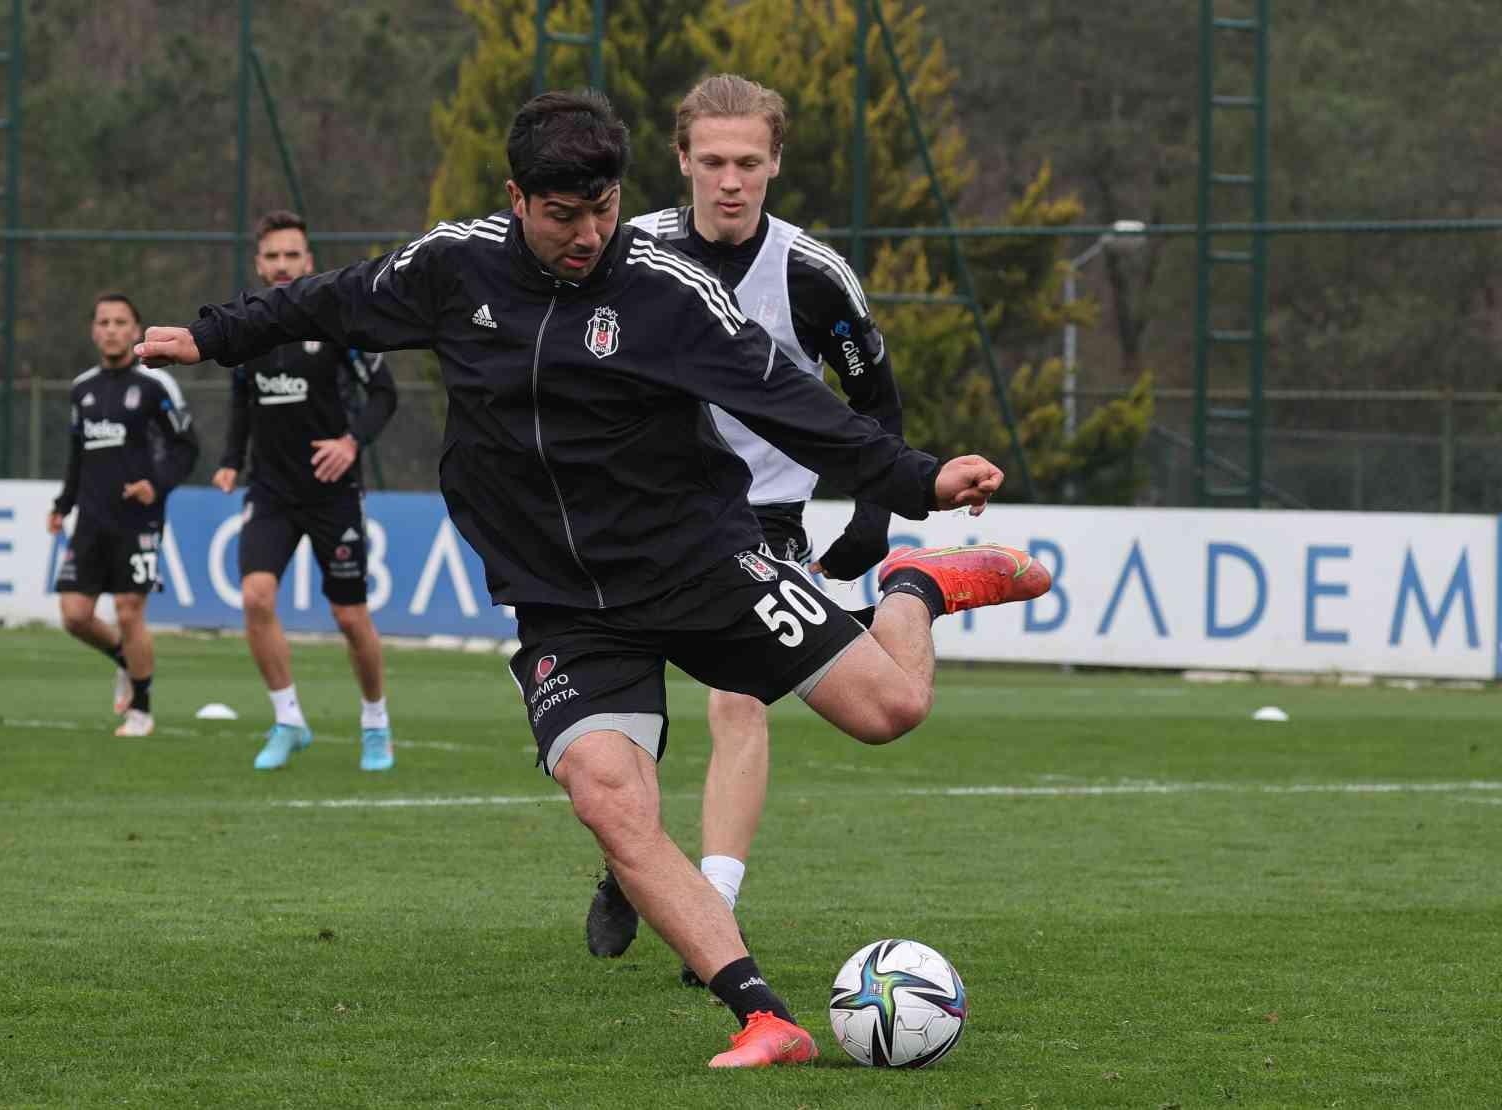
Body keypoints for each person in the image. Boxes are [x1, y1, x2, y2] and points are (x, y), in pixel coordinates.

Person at [137, 90, 1048, 1069]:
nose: (587, 235)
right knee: (611, 800)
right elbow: (333, 295)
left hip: (699, 562)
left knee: (890, 710)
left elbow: (790, 403)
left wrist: (914, 486)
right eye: (563, 215)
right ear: (516, 196)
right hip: (564, 603)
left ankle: (913, 587)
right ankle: (762, 1016)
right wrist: (215, 334)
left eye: (603, 210)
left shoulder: (667, 290)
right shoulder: (455, 265)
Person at [587, 73, 954, 983]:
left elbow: (876, 401)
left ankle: (713, 898)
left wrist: (875, 514)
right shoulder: (628, 255)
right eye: (711, 161)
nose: (730, 180)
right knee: (626, 710)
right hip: (641, 516)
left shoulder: (812, 274)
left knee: (740, 700)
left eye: (749, 161)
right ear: (681, 162)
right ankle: (628, 863)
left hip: (762, 519)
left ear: (776, 163)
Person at [211, 210, 400, 772]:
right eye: (273, 256)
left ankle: (375, 722)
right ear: (259, 264)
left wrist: (350, 442)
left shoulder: (339, 323)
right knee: (255, 598)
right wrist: (228, 461)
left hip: (331, 491)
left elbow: (384, 396)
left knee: (349, 617)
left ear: (309, 262)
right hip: (269, 490)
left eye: (292, 255)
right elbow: (242, 403)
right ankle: (288, 719)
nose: (282, 265)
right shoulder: (247, 329)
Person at [49, 293, 198, 738]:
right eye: (104, 322)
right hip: (91, 519)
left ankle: (142, 711)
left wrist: (156, 483)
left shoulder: (156, 384)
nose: (111, 329)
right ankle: (123, 659)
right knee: (75, 615)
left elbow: (186, 447)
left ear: (136, 330)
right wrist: (63, 505)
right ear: (94, 330)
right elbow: (77, 454)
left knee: (130, 611)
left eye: (120, 322)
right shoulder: (82, 389)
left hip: (138, 518)